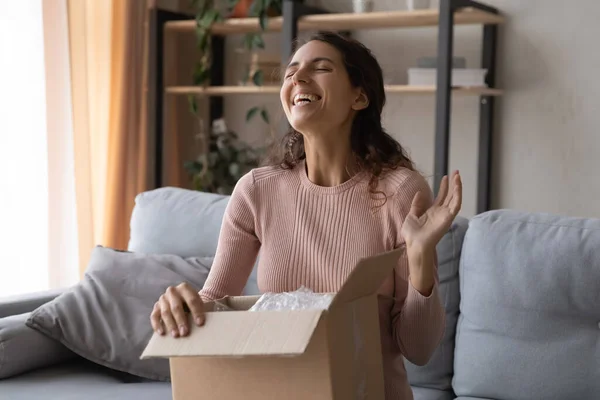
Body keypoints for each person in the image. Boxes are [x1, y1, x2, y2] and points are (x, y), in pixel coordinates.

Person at [150, 31, 462, 400]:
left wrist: (421, 259)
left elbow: (419, 350)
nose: (297, 78)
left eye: (321, 68)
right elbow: (216, 302)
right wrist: (182, 305)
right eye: (291, 72)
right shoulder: (256, 191)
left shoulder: (401, 193)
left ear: (359, 96)